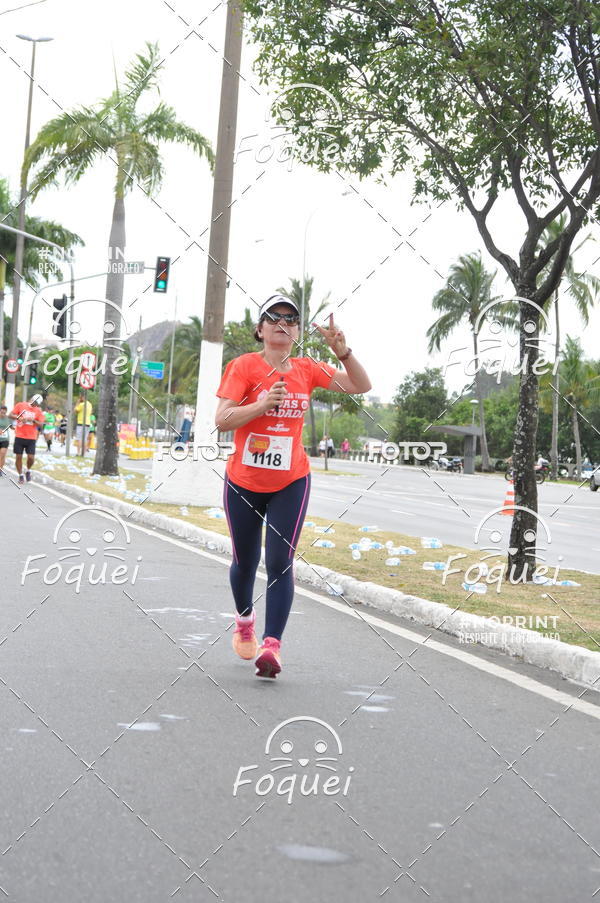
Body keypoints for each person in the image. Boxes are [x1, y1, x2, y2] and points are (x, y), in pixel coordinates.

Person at [216, 294, 371, 679]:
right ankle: (245, 620)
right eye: (274, 317)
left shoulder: (307, 369)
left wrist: (343, 351)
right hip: (243, 482)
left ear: (298, 330)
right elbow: (222, 420)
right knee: (245, 561)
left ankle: (272, 647)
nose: (282, 323)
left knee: (281, 562)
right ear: (260, 328)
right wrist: (262, 404)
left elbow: (360, 385)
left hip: (291, 480)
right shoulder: (243, 367)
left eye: (290, 318)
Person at [9, 394, 45, 484]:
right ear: (31, 399)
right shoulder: (21, 405)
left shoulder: (38, 411)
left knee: (31, 457)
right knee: (18, 457)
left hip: (31, 437)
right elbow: (11, 415)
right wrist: (21, 418)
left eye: (37, 403)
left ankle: (28, 470)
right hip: (20, 435)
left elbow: (41, 424)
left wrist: (33, 420)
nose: (35, 404)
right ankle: (21, 475)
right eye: (34, 402)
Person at [0, 405, 12, 475]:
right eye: (2, 410)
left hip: (5, 439)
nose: (3, 411)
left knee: (2, 454)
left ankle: (0, 470)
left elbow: (11, 426)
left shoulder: (8, 418)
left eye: (5, 410)